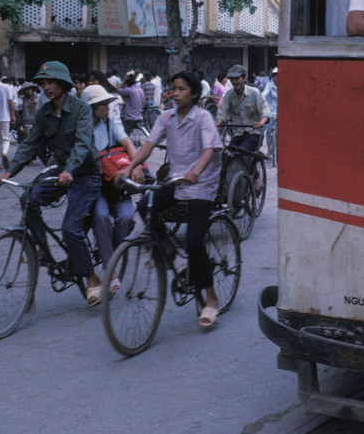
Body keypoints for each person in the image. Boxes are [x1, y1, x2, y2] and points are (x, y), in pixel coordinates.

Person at [0, 61, 105, 306]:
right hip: (62, 171)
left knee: (71, 229)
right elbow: (30, 144)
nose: (47, 87)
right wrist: (8, 174)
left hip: (85, 174)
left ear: (63, 84)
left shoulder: (82, 109)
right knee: (28, 199)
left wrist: (71, 170)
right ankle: (44, 250)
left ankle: (92, 277)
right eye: (43, 83)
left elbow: (83, 144)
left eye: (51, 82)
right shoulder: (44, 113)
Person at [124, 71, 224, 328]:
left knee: (193, 240)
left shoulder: (203, 117)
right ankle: (172, 256)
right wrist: (129, 167)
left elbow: (211, 148)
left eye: (181, 89)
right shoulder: (166, 116)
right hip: (176, 179)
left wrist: (197, 172)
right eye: (174, 89)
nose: (176, 94)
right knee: (146, 209)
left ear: (193, 92)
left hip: (201, 184)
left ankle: (211, 299)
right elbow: (148, 144)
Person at [82, 84, 144, 292]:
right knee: (99, 215)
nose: (108, 107)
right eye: (103, 105)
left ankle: (112, 253)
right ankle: (112, 270)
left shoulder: (111, 122)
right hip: (93, 183)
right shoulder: (81, 127)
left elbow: (127, 144)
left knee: (126, 217)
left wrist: (136, 166)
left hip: (115, 181)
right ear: (92, 107)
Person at [216, 64, 270, 191]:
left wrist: (261, 123)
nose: (235, 82)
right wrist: (218, 123)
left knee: (241, 153)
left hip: (254, 133)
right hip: (238, 133)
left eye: (237, 78)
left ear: (244, 78)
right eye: (232, 79)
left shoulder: (255, 93)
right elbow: (222, 113)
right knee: (227, 155)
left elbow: (265, 113)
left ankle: (256, 176)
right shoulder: (228, 95)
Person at [262, 68, 278, 161]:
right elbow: (264, 94)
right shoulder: (269, 86)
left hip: (281, 112)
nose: (276, 77)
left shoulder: (285, 84)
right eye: (275, 75)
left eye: (278, 75)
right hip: (271, 111)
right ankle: (269, 150)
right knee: (268, 132)